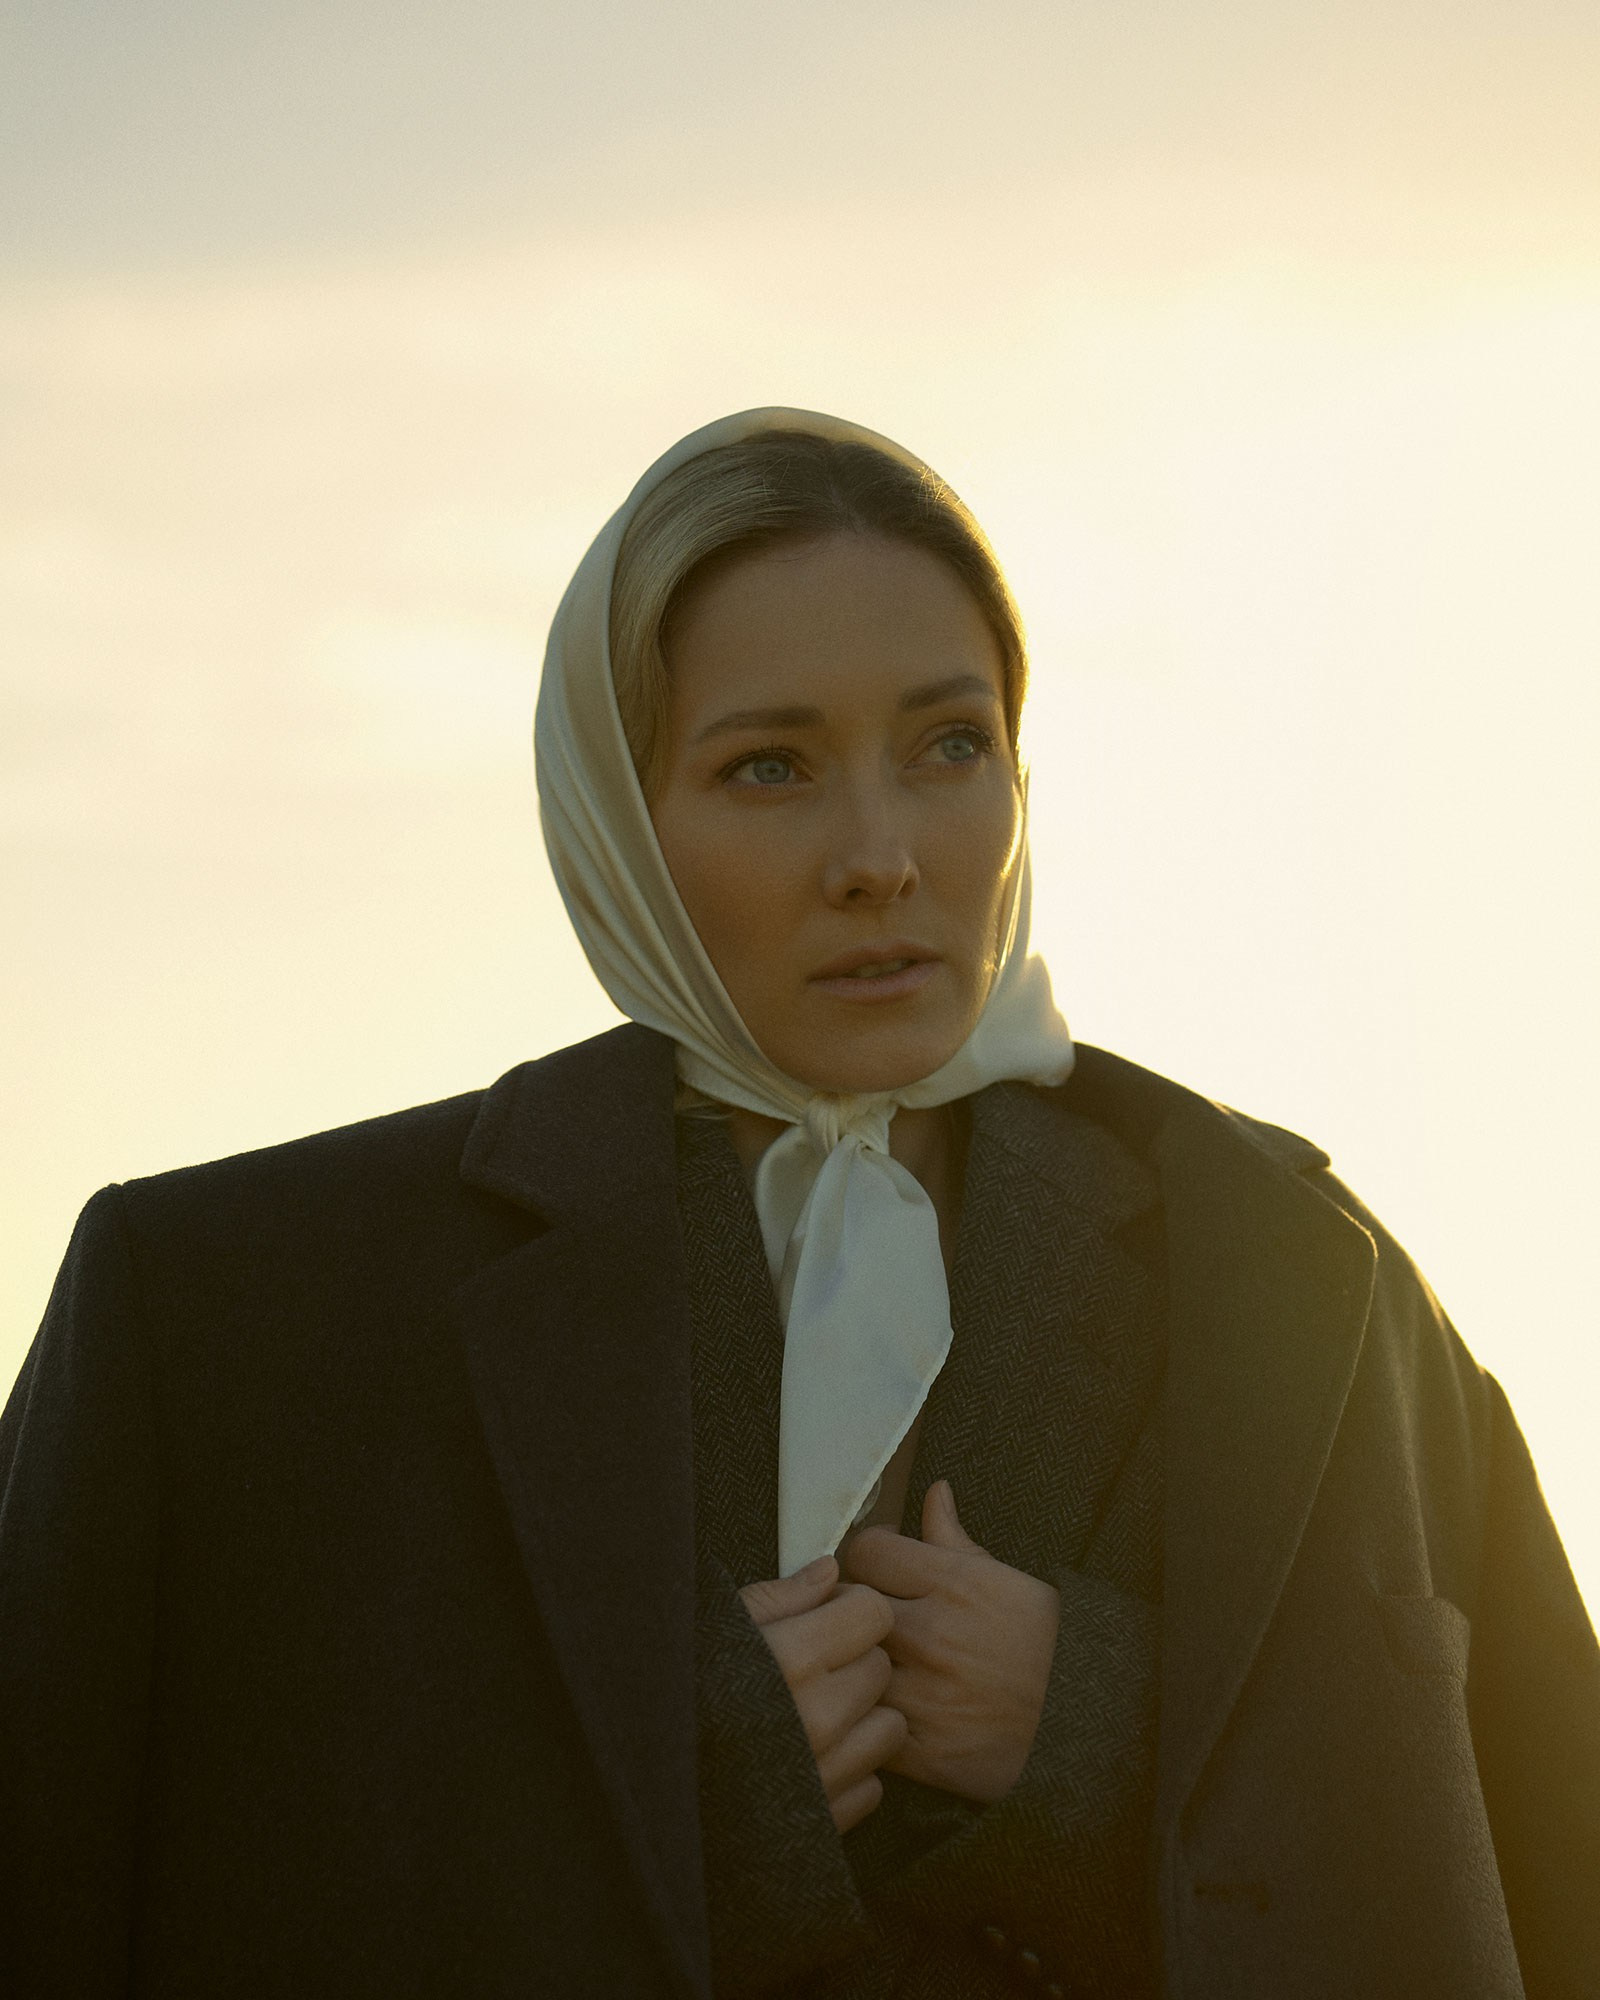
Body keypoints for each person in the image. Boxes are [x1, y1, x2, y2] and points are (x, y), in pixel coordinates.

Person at [1, 406, 1596, 2000]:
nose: (882, 855)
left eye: (950, 744)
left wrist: (1098, 1734)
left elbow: (1525, 1867)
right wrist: (686, 1793)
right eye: (770, 766)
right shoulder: (228, 1314)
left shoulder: (1298, 1270)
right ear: (622, 814)